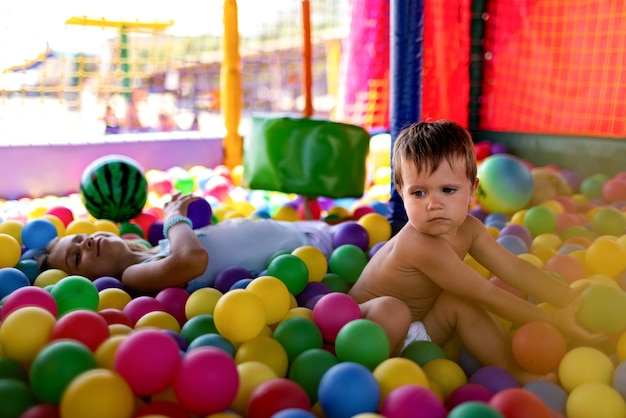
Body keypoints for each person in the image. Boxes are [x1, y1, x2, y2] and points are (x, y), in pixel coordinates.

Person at [347, 120, 605, 384]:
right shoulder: (419, 243)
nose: (433, 204)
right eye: (419, 192)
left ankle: (512, 371)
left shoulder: (470, 229)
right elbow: (486, 292)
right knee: (394, 309)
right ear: (401, 192)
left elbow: (513, 268)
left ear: (472, 188)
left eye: (448, 190)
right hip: (363, 334)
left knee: (460, 302)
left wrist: (568, 297)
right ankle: (368, 381)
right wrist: (551, 319)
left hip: (417, 334)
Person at [37, 193, 335, 295]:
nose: (86, 242)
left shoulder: (151, 248)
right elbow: (192, 261)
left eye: (80, 238)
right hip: (310, 253)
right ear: (87, 282)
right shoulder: (134, 275)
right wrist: (175, 218)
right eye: (76, 257)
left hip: (299, 230)